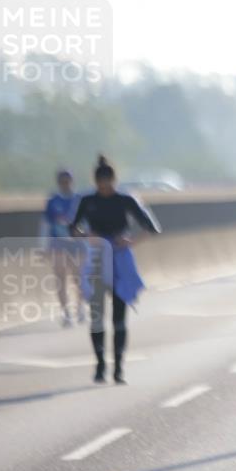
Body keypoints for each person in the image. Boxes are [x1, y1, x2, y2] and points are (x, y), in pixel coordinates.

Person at [70, 155, 161, 384]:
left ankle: (118, 368)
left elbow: (152, 227)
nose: (105, 189)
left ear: (114, 180)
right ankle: (100, 364)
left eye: (108, 184)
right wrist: (87, 236)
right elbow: (72, 229)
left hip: (121, 259)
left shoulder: (126, 199)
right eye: (101, 185)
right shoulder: (87, 200)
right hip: (98, 258)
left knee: (119, 318)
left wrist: (131, 240)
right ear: (96, 182)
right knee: (97, 315)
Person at [43, 169, 86, 327]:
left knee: (78, 278)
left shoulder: (79, 199)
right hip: (58, 243)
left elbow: (86, 223)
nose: (65, 184)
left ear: (72, 181)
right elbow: (46, 225)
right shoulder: (52, 201)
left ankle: (80, 307)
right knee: (61, 279)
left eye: (68, 181)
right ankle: (66, 313)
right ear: (58, 182)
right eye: (62, 181)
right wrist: (44, 245)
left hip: (77, 244)